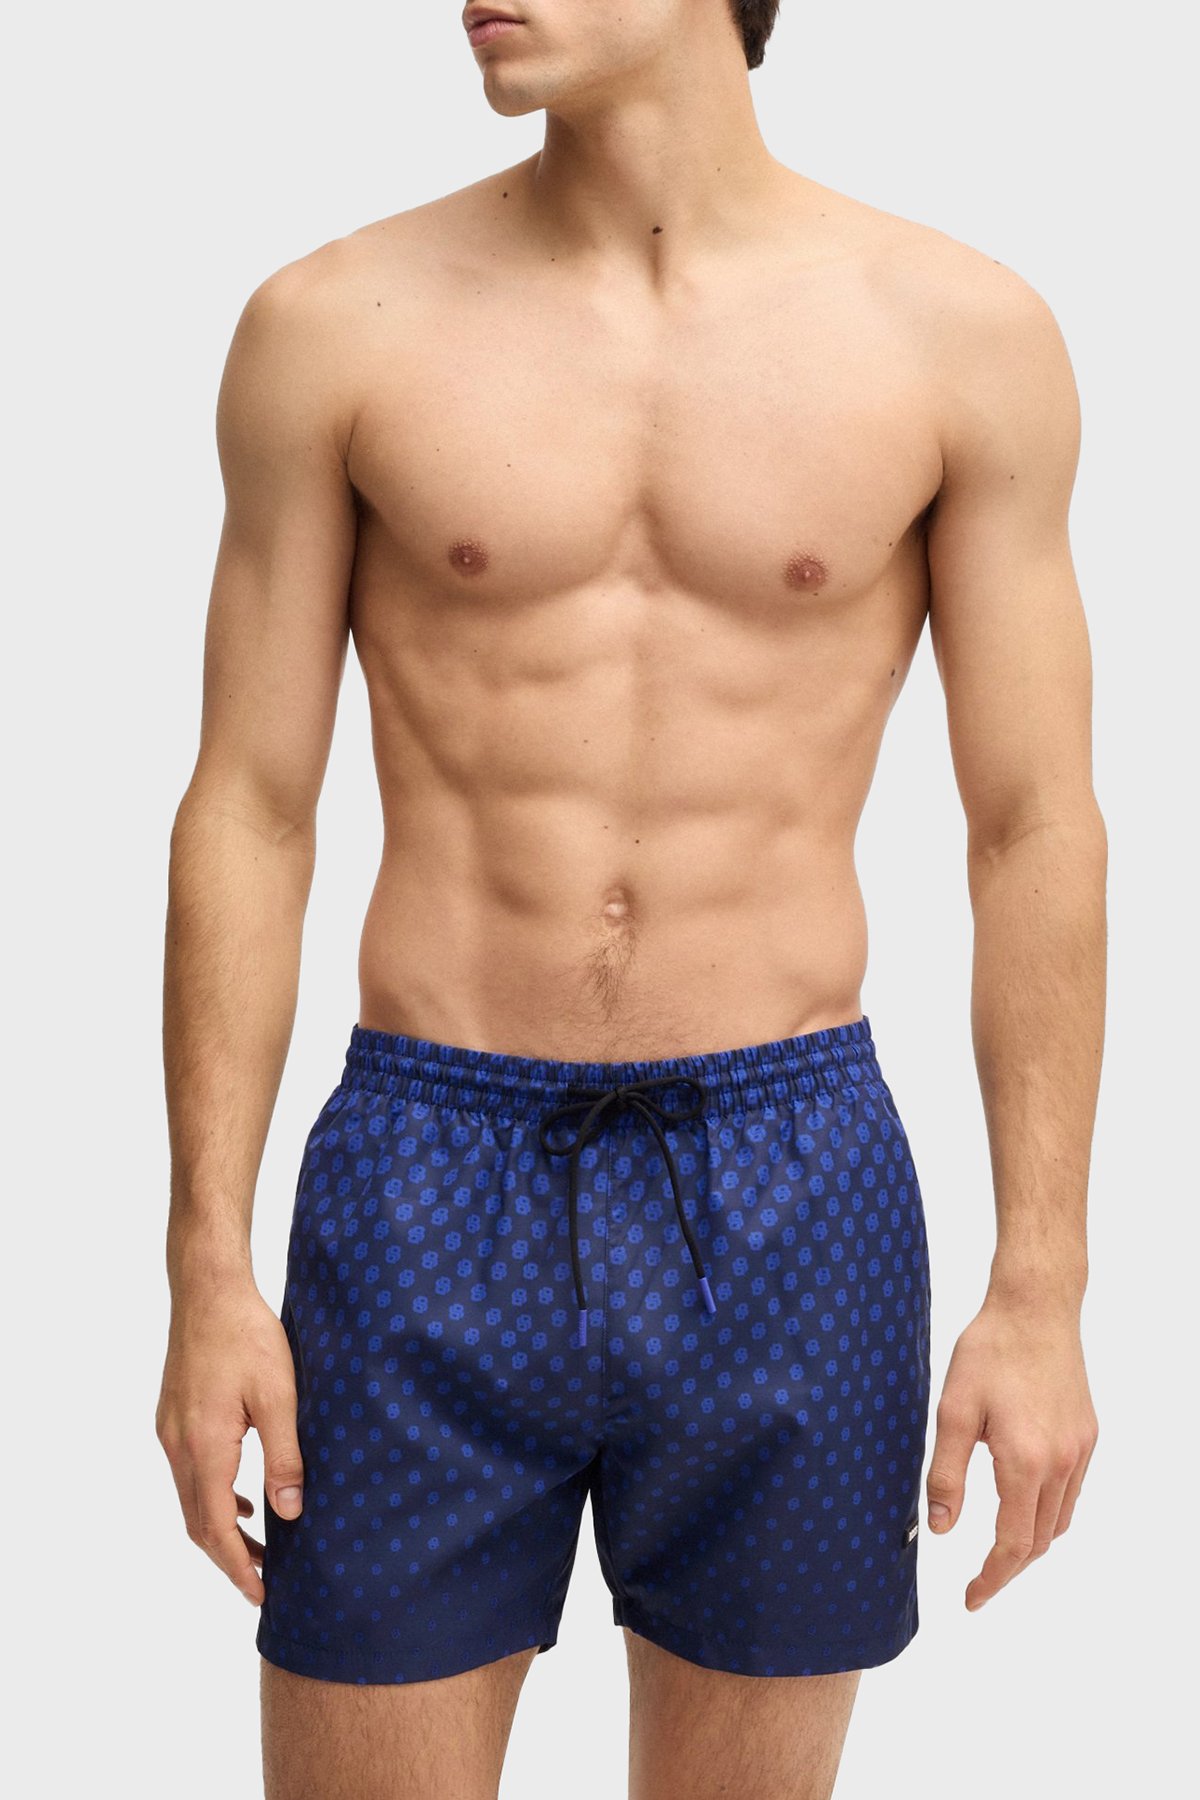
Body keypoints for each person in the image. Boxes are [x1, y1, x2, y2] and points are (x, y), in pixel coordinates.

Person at [155, 2, 1105, 1795]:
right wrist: (207, 1265)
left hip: (792, 1177)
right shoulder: (334, 326)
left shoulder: (959, 337)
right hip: (426, 1168)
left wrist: (1040, 1285)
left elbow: (1033, 824)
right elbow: (251, 809)